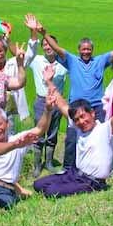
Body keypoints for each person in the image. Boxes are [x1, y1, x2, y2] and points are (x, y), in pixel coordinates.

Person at [36, 20, 113, 170]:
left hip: (97, 107)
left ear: (92, 50)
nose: (86, 52)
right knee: (71, 139)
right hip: (76, 107)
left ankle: (102, 167)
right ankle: (68, 168)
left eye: (89, 49)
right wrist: (44, 33)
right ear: (78, 50)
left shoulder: (100, 61)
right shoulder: (71, 60)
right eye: (83, 49)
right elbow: (57, 48)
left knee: (102, 138)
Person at [33, 79, 113, 198]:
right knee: (38, 184)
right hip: (74, 174)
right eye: (76, 120)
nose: (81, 122)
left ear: (92, 113)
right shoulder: (79, 128)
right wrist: (49, 81)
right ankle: (66, 182)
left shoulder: (105, 129)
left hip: (91, 182)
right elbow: (63, 105)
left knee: (50, 191)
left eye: (83, 116)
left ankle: (75, 187)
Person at [28, 35, 68, 176]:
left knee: (52, 133)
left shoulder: (64, 63)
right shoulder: (36, 60)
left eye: (50, 44)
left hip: (57, 102)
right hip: (41, 101)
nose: (47, 47)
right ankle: (37, 165)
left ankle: (49, 163)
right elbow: (19, 55)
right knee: (38, 133)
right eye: (44, 44)